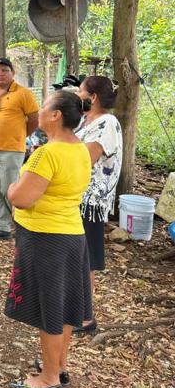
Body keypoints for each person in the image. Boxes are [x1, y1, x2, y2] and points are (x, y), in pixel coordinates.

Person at [4, 91, 93, 388]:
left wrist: (12, 188)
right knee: (64, 307)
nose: (39, 111)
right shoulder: (81, 148)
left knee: (50, 309)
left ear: (56, 115)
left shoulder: (47, 153)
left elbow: (22, 198)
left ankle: (48, 378)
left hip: (46, 239)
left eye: (44, 106)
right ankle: (59, 366)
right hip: (72, 235)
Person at [74, 76, 122, 333]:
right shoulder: (87, 120)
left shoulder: (107, 122)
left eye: (80, 90)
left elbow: (86, 158)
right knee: (78, 255)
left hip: (90, 200)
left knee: (86, 258)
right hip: (77, 197)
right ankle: (77, 309)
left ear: (92, 97)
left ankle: (85, 317)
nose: (76, 94)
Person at [0, 57, 40, 240]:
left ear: (13, 73)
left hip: (12, 150)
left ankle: (20, 224)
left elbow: (34, 119)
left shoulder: (23, 93)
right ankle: (2, 227)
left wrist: (21, 136)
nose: (0, 74)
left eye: (5, 70)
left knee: (10, 189)